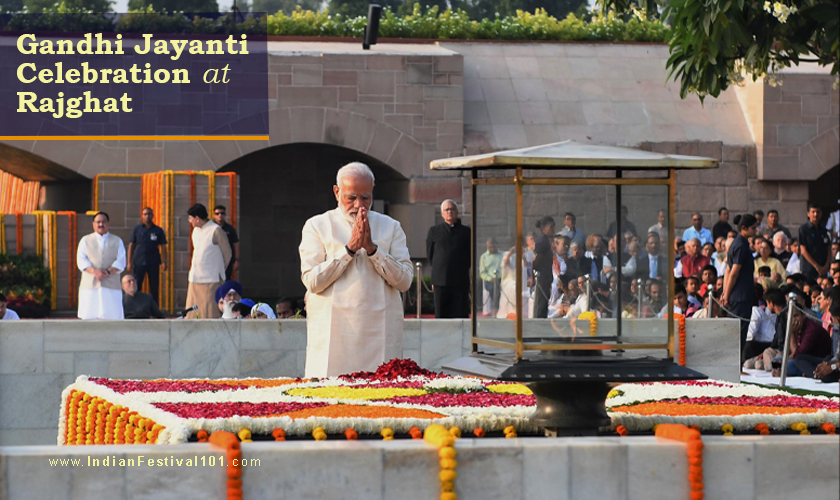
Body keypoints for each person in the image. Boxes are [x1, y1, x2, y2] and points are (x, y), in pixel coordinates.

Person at [299, 162, 412, 378]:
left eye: (366, 198)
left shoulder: (391, 227)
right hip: (334, 334)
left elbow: (405, 281)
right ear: (336, 191)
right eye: (351, 197)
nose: (359, 205)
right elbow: (312, 281)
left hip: (379, 333)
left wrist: (373, 250)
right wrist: (349, 249)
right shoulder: (317, 226)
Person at [185, 203, 232, 320]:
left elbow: (228, 253)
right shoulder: (195, 231)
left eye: (190, 218)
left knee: (210, 310)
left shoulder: (216, 230)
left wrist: (219, 268)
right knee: (193, 310)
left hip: (212, 278)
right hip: (195, 276)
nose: (189, 221)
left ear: (197, 218)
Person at [426, 199, 471, 318]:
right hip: (441, 281)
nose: (449, 212)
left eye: (452, 209)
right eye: (447, 209)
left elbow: (470, 255)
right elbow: (430, 255)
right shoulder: (434, 231)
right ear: (442, 213)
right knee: (441, 315)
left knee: (461, 314)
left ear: (457, 212)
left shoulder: (466, 232)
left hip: (460, 281)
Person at [77, 212, 126, 320]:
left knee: (112, 316)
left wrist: (108, 272)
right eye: (98, 222)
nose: (101, 224)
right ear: (93, 224)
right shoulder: (85, 240)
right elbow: (81, 260)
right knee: (89, 316)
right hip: (90, 285)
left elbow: (121, 261)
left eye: (103, 222)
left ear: (108, 224)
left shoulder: (117, 241)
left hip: (111, 285)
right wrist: (94, 271)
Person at [722, 213, 758, 356]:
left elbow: (729, 270)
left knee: (737, 331)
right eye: (753, 228)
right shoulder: (741, 246)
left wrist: (726, 292)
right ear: (744, 228)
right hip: (740, 296)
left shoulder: (737, 243)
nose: (756, 231)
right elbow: (733, 272)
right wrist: (727, 293)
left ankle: (736, 364)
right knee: (739, 332)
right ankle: (736, 365)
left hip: (738, 294)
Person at [126, 207, 168, 306]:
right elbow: (131, 245)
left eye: (149, 214)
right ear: (142, 216)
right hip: (139, 261)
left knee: (154, 287)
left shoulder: (158, 230)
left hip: (153, 261)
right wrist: (129, 262)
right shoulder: (137, 229)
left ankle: (155, 310)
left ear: (152, 215)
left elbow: (163, 246)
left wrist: (164, 261)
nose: (147, 216)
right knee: (136, 285)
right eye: (145, 214)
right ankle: (135, 308)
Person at [530, 216, 556, 318]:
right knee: (540, 303)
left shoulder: (546, 240)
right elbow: (535, 259)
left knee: (545, 302)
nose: (553, 229)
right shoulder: (542, 240)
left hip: (547, 275)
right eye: (551, 227)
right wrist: (532, 276)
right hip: (542, 276)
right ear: (544, 228)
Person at [798, 203, 831, 282]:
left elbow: (828, 247)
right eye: (813, 212)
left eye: (818, 212)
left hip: (823, 268)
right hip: (809, 269)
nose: (815, 214)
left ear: (821, 214)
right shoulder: (803, 229)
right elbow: (803, 250)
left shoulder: (823, 228)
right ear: (808, 214)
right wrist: (816, 266)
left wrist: (826, 265)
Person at [213, 205, 240, 281]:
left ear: (225, 215)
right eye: (217, 213)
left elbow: (235, 244)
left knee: (226, 280)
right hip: (214, 260)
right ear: (214, 215)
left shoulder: (230, 229)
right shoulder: (211, 228)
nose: (220, 215)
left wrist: (237, 260)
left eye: (222, 213)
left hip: (227, 261)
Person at [479, 238, 503, 317]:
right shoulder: (484, 257)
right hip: (490, 280)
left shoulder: (503, 254)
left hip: (502, 279)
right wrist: (490, 278)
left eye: (494, 245)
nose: (492, 247)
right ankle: (496, 309)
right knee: (494, 289)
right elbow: (482, 272)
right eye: (490, 246)